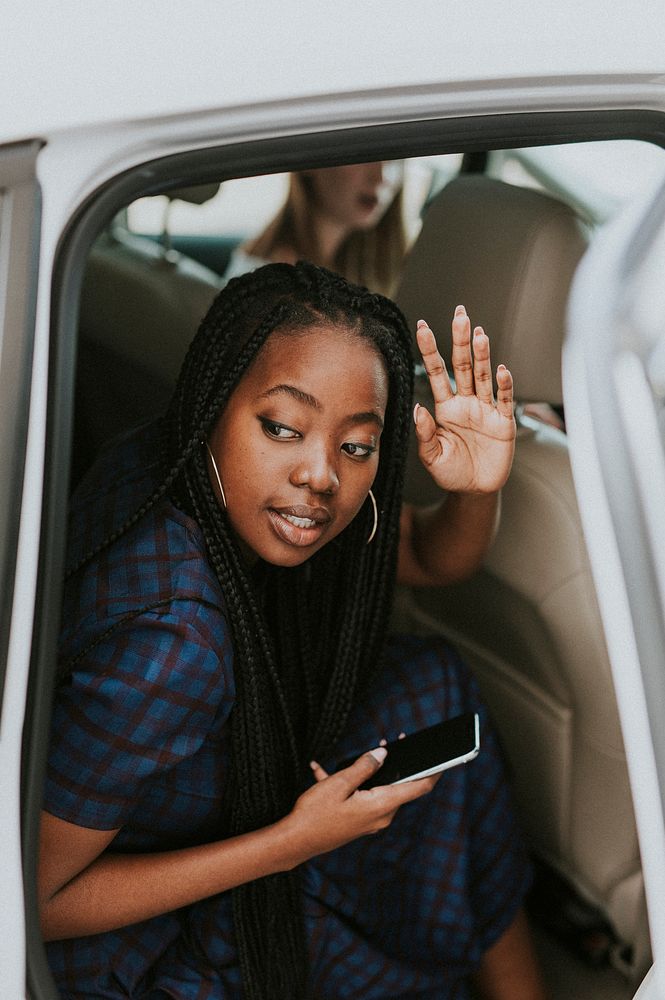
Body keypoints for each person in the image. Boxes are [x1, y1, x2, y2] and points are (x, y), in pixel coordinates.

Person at [39, 262, 547, 999]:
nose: (320, 476)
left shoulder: (172, 462)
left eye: (357, 446)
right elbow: (28, 901)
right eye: (281, 427)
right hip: (122, 958)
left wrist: (473, 492)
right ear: (216, 402)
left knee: (430, 683)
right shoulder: (175, 646)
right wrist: (289, 844)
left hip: (209, 790)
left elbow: (427, 560)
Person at [223, 162, 410, 296]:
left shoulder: (363, 267)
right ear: (309, 163)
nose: (381, 177)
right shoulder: (273, 283)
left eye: (394, 158)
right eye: (361, 156)